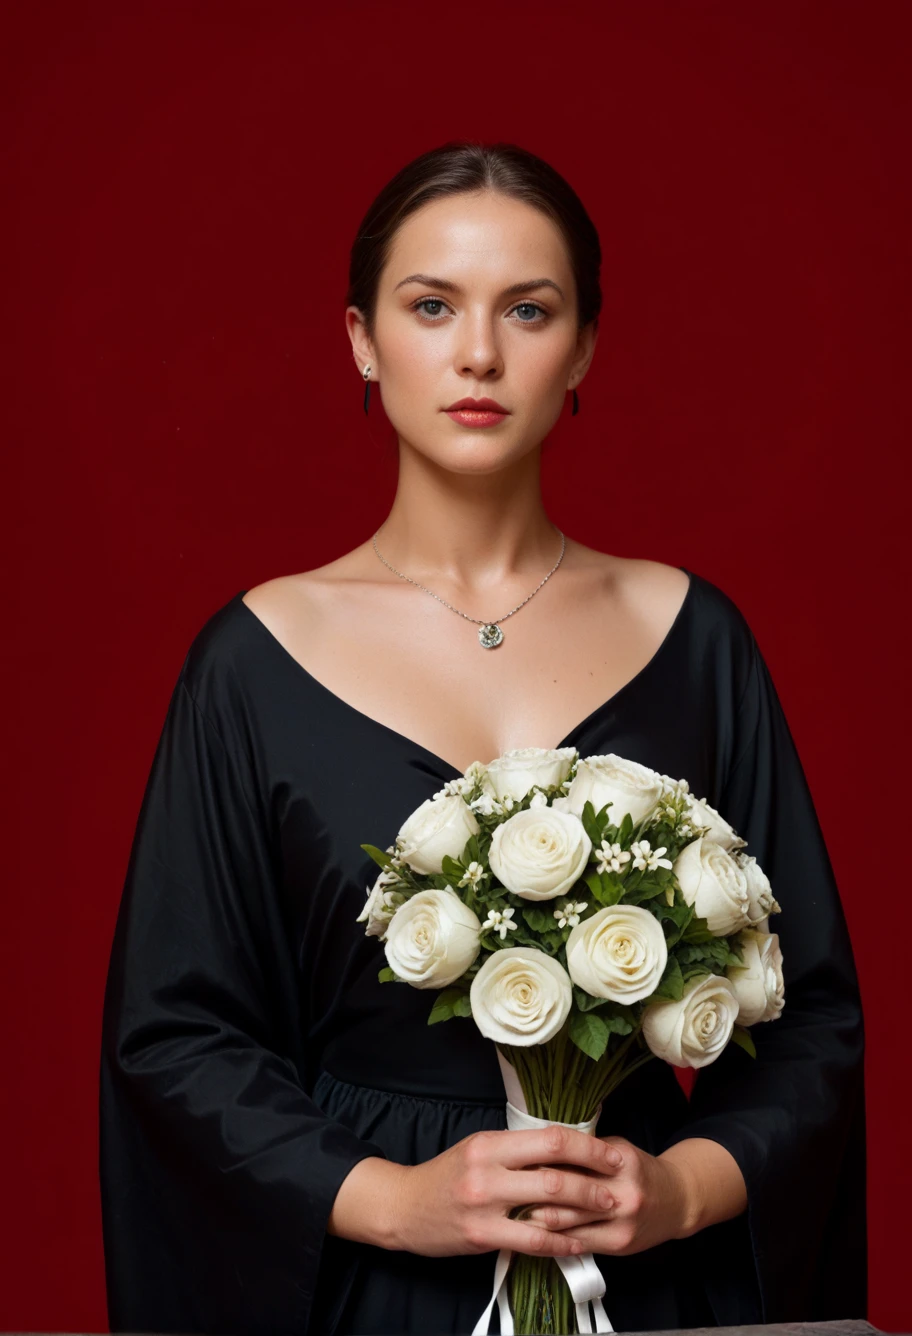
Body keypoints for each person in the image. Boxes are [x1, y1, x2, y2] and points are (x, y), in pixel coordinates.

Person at [98, 140, 866, 1336]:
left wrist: (679, 1190)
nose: (478, 354)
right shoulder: (251, 658)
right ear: (361, 338)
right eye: (432, 306)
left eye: (530, 310)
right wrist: (390, 1200)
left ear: (585, 349)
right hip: (377, 1284)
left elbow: (813, 1018)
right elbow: (176, 1034)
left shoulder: (696, 635)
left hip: (650, 1282)